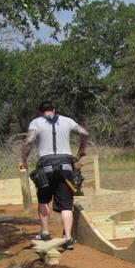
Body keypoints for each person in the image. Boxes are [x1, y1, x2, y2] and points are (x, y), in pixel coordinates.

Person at [18, 100, 90, 248]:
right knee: (66, 205)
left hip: (46, 166)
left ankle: (45, 232)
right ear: (54, 110)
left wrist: (23, 159)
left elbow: (29, 141)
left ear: (40, 112)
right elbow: (84, 132)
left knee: (44, 200)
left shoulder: (36, 123)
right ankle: (68, 238)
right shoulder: (67, 120)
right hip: (66, 166)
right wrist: (81, 150)